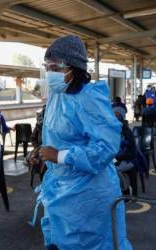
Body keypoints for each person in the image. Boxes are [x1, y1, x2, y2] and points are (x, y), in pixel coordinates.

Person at [31, 35, 132, 250]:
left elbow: (106, 148)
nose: (50, 73)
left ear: (73, 68)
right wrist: (42, 152)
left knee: (90, 243)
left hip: (88, 194)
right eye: (47, 67)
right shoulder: (57, 97)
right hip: (60, 189)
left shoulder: (89, 98)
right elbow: (56, 138)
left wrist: (59, 156)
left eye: (56, 67)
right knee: (59, 241)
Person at [113, 108, 137, 195]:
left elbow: (131, 153)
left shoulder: (127, 133)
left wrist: (117, 158)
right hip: (116, 159)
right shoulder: (112, 131)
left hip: (128, 160)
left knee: (112, 170)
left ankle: (125, 191)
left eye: (117, 117)